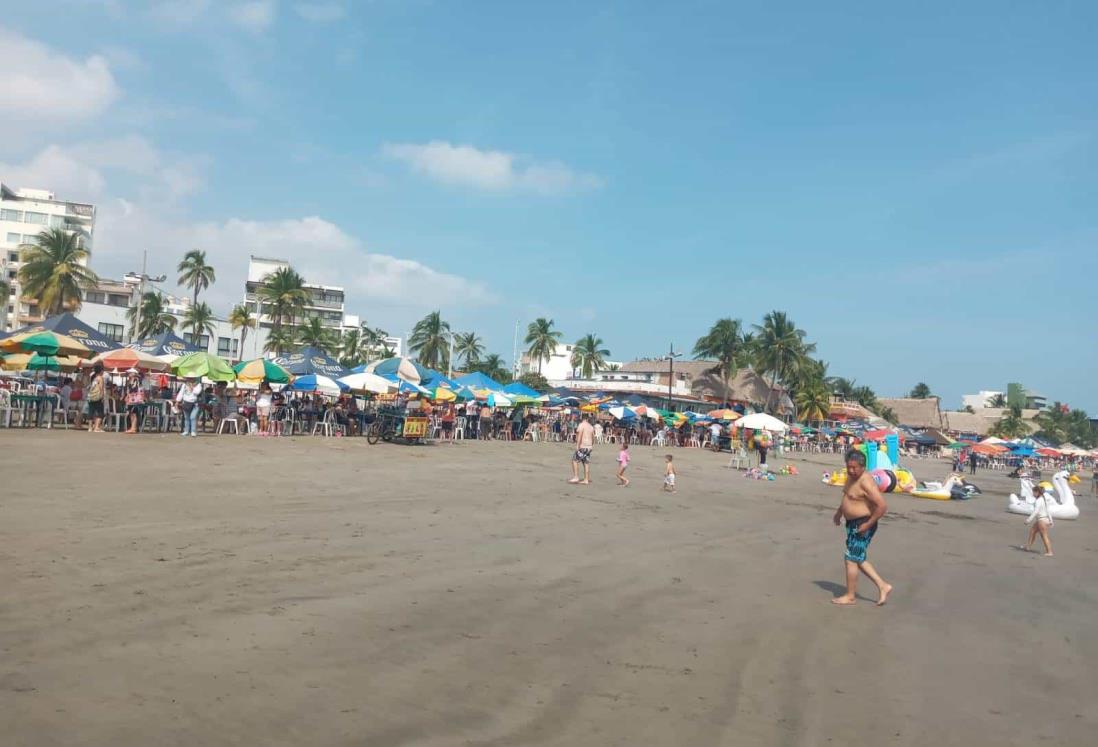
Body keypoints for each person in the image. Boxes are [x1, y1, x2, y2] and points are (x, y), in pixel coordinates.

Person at [831, 449, 892, 606]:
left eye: (854, 468)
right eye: (848, 467)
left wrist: (867, 524)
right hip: (852, 524)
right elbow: (847, 496)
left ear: (863, 466)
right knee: (857, 558)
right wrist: (839, 512)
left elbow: (882, 506)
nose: (851, 471)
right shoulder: (850, 477)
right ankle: (883, 586)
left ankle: (850, 596)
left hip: (863, 523)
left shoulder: (866, 481)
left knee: (851, 559)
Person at [1021, 484, 1054, 556]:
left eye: (1033, 492)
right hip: (1045, 519)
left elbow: (1035, 512)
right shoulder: (1044, 499)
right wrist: (1051, 521)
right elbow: (1048, 511)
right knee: (1032, 531)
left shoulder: (1038, 501)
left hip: (1041, 520)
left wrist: (1028, 520)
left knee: (1044, 536)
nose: (1033, 494)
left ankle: (1050, 552)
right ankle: (1028, 547)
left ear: (1037, 492)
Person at [569, 415, 595, 484]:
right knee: (586, 463)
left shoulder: (581, 425)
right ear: (587, 419)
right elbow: (593, 437)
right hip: (589, 447)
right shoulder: (591, 426)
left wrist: (577, 445)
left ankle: (576, 477)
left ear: (582, 418)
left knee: (574, 460)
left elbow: (579, 435)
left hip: (583, 446)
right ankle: (586, 479)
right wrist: (591, 445)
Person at [85, 363, 106, 433]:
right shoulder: (100, 378)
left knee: (91, 412)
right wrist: (102, 397)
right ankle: (97, 427)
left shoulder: (93, 378)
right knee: (100, 412)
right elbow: (101, 388)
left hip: (91, 397)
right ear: (100, 371)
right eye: (103, 370)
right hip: (97, 397)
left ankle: (90, 427)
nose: (103, 372)